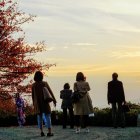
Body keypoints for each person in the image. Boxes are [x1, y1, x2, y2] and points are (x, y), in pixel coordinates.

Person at [32, 71, 57, 137]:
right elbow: (50, 92)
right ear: (42, 76)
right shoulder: (44, 83)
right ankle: (49, 132)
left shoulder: (33, 85)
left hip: (37, 103)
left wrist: (34, 104)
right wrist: (54, 100)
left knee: (39, 117)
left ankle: (41, 132)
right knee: (48, 116)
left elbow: (33, 96)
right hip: (45, 102)